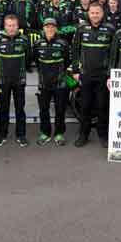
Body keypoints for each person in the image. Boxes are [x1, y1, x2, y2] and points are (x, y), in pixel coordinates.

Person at [71, 3, 115, 148]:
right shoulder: (81, 28)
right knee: (85, 106)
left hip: (103, 75)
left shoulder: (110, 29)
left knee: (102, 106)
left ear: (102, 14)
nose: (95, 15)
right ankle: (83, 134)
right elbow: (75, 50)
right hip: (86, 75)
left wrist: (111, 73)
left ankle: (103, 135)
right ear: (88, 13)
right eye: (92, 13)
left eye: (97, 12)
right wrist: (76, 71)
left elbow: (114, 53)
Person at [0, 14, 32, 147]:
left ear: (18, 26)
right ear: (5, 26)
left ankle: (21, 135)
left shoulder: (24, 40)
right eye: (9, 25)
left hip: (19, 80)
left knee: (20, 108)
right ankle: (2, 134)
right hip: (4, 80)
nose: (11, 28)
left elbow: (29, 58)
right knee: (3, 108)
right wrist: (4, 69)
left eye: (14, 25)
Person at [33, 18, 71, 146]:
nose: (50, 29)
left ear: (56, 28)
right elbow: (36, 62)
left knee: (60, 109)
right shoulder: (37, 43)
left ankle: (59, 133)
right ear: (43, 28)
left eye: (52, 27)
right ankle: (45, 133)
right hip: (44, 83)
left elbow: (67, 61)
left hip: (60, 82)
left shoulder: (63, 44)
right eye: (47, 26)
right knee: (44, 109)